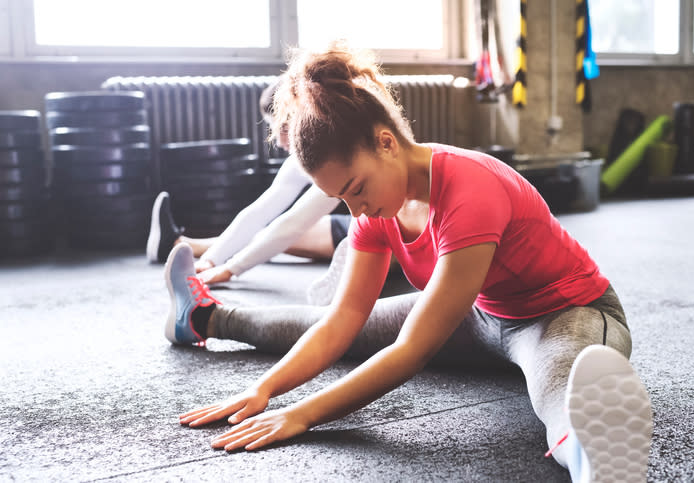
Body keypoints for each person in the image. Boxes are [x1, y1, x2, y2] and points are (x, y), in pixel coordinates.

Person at [162, 43, 652, 482]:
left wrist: (304, 414)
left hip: (562, 314)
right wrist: (266, 390)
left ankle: (597, 463)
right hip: (480, 313)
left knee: (558, 389)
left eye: (355, 190)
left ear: (386, 143)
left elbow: (412, 349)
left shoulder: (470, 189)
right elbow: (341, 323)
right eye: (340, 198)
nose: (355, 212)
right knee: (318, 322)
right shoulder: (377, 210)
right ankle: (201, 316)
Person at [146, 79, 353, 303]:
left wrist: (231, 269)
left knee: (281, 233)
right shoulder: (297, 161)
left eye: (284, 128)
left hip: (387, 229)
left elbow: (295, 223)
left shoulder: (336, 157)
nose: (280, 141)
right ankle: (183, 246)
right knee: (266, 234)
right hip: (348, 222)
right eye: (272, 128)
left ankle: (358, 272)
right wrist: (211, 261)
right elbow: (260, 211)